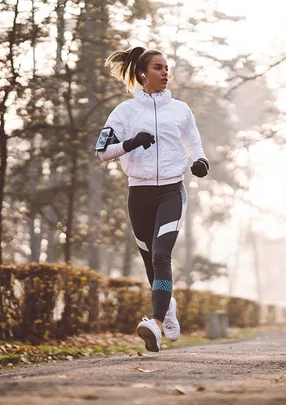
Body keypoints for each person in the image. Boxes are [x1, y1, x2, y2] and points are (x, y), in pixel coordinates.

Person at [95, 46, 209, 352]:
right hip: (139, 194)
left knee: (161, 254)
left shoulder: (181, 110)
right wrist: (130, 143)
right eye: (159, 68)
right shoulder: (124, 112)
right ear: (143, 74)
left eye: (167, 67)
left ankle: (154, 323)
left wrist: (200, 162)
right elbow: (101, 152)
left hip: (171, 191)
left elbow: (195, 143)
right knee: (150, 263)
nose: (165, 72)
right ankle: (168, 306)